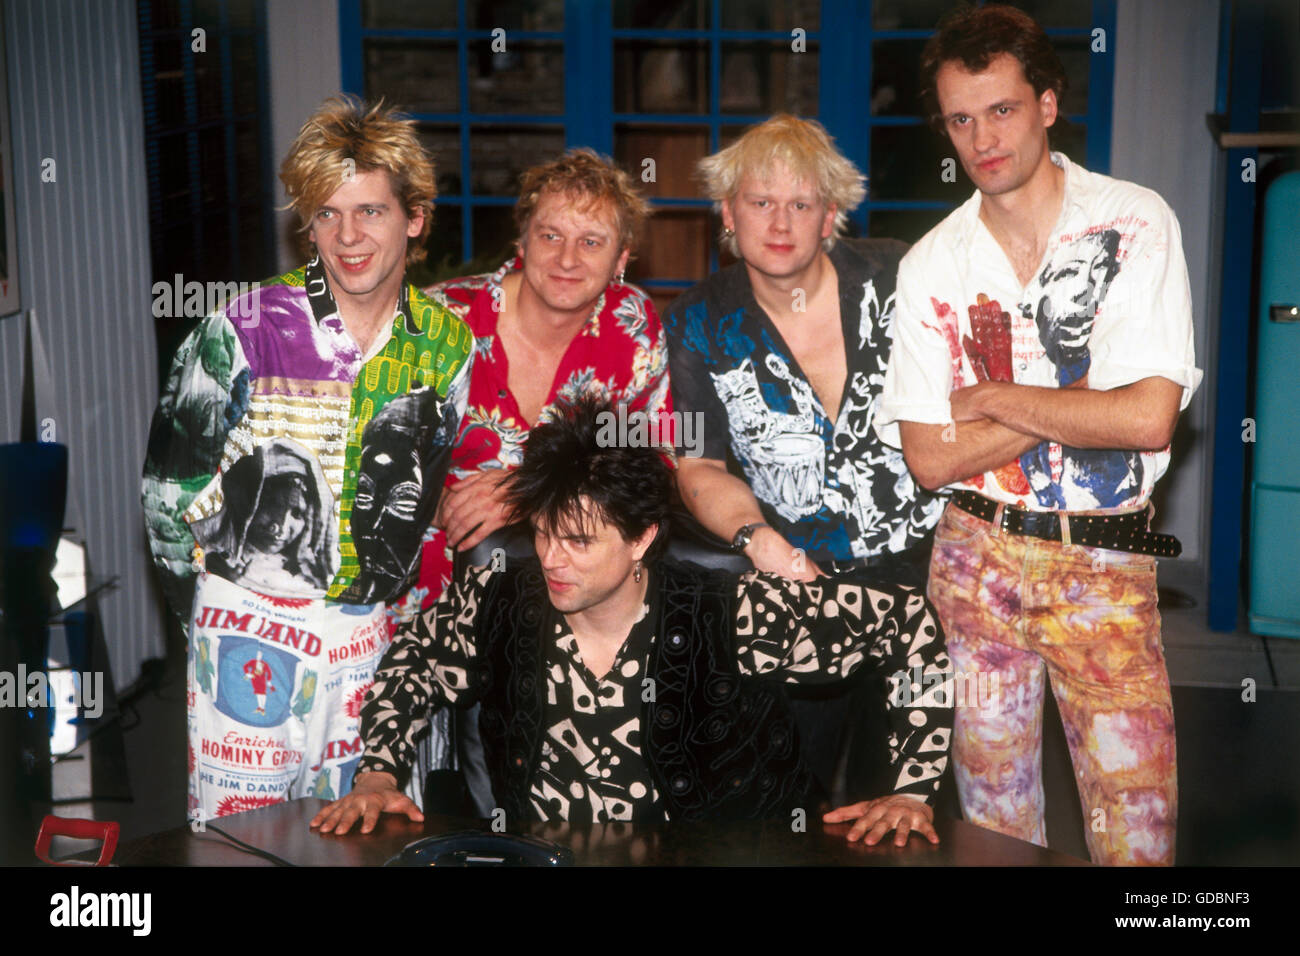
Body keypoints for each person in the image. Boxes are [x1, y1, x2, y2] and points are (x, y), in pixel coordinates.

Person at [310, 396, 953, 843]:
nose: (551, 560)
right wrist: (378, 772)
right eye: (541, 533)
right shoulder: (495, 600)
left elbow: (908, 624)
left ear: (643, 538)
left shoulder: (736, 613)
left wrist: (911, 790)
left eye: (580, 542)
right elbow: (415, 660)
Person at [874, 4, 1202, 866]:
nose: (982, 137)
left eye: (1003, 109)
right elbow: (930, 457)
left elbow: (1144, 418)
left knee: (1138, 836)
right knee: (994, 832)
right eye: (960, 118)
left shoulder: (1132, 223)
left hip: (1103, 561)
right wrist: (1076, 394)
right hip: (973, 564)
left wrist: (991, 396)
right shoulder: (930, 266)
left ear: (1048, 104)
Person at [142, 95, 473, 821]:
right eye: (327, 213)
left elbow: (427, 496)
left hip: (369, 637)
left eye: (371, 212)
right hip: (247, 627)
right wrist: (204, 619)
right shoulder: (241, 328)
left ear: (414, 218)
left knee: (366, 831)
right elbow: (167, 500)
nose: (348, 236)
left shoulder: (447, 345)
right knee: (243, 840)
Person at [660, 114, 944, 798]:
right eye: (760, 202)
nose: (779, 221)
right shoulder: (697, 321)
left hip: (932, 583)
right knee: (789, 797)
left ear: (831, 216)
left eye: (801, 203)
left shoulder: (900, 277)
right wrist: (760, 543)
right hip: (796, 585)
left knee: (909, 801)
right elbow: (700, 464)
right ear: (728, 213)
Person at [404, 149, 672, 812]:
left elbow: (652, 470)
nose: (567, 258)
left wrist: (525, 489)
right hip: (420, 589)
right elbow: (373, 469)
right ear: (521, 238)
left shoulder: (632, 328)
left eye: (592, 242)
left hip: (558, 606)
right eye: (549, 234)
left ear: (622, 259)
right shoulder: (441, 320)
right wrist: (437, 500)